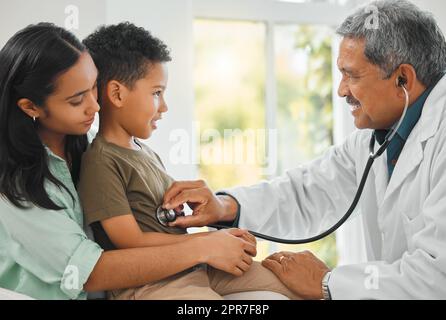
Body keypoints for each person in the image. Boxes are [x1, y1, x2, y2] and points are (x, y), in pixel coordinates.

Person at [162, 0, 446, 300]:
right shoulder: (378, 138)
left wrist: (326, 282)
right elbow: (306, 192)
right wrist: (225, 206)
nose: (341, 90)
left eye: (352, 75)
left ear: (403, 78)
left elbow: (435, 278)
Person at [0, 23, 256, 300]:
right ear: (30, 107)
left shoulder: (96, 146)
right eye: (77, 100)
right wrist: (203, 245)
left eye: (92, 88)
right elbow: (89, 272)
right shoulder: (14, 186)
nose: (96, 107)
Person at [78, 22, 299, 300]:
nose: (165, 106)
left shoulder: (145, 152)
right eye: (156, 93)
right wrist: (209, 241)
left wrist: (208, 231)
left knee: (290, 284)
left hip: (191, 266)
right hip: (150, 284)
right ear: (117, 94)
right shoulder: (101, 162)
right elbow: (129, 240)